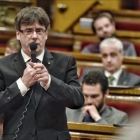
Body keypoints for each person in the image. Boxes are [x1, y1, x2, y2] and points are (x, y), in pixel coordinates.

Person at [0, 7, 84, 140]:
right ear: (18, 34)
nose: (34, 36)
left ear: (46, 34)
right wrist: (21, 84)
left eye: (39, 31)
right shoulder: (2, 65)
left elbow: (77, 100)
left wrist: (50, 82)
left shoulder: (66, 62)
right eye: (28, 31)